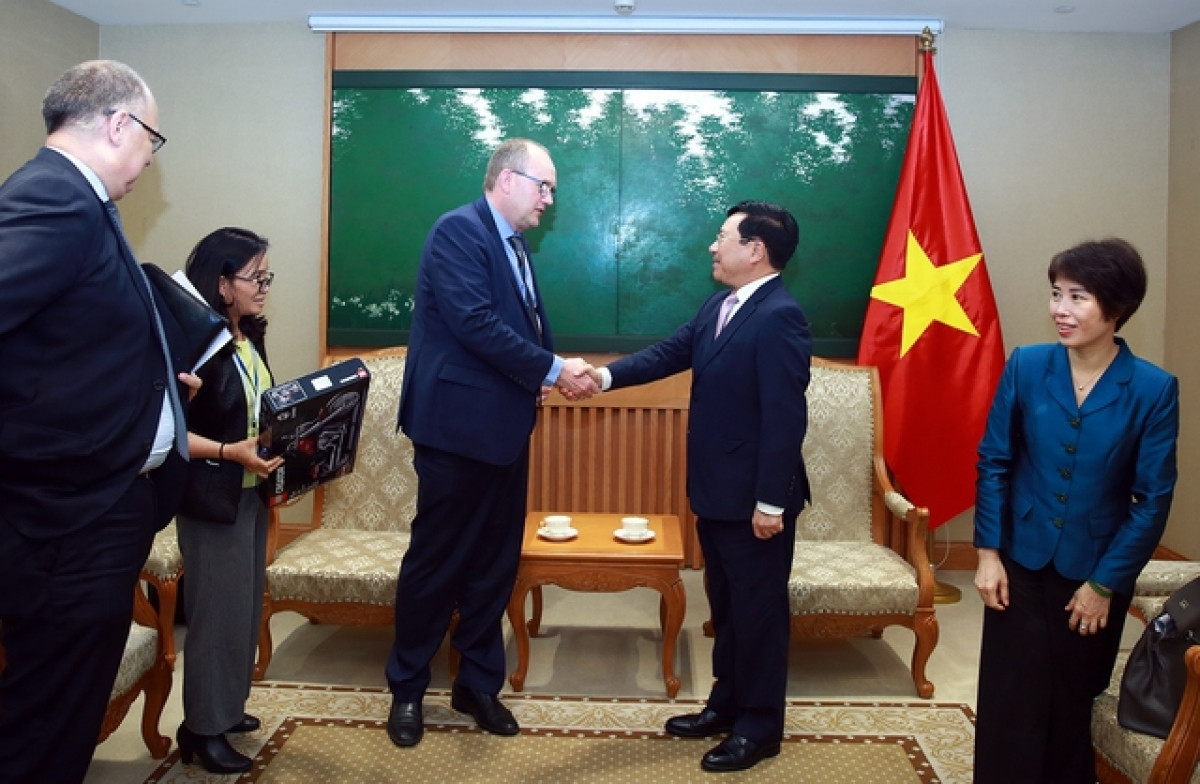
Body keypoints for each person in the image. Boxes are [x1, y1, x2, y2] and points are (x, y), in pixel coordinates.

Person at [0, 60, 197, 782]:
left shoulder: (76, 201)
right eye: (152, 138)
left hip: (94, 508)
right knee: (47, 722)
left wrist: (145, 385)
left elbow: (50, 344)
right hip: (68, 522)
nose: (150, 157)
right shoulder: (55, 198)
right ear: (120, 125)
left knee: (64, 713)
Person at [386, 138, 597, 748]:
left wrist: (537, 373)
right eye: (544, 187)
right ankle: (406, 688)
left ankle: (476, 685)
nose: (549, 200)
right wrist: (554, 370)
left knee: (493, 564)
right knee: (435, 564)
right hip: (454, 431)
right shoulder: (458, 232)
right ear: (507, 179)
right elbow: (474, 323)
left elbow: (520, 326)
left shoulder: (516, 244)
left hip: (504, 430)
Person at [588, 200, 811, 773]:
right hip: (716, 489)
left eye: (723, 236)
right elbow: (668, 354)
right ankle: (726, 705)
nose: (713, 247)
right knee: (729, 608)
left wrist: (770, 501)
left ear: (755, 250)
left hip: (754, 499)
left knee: (759, 614)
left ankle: (760, 727)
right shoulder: (722, 305)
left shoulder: (780, 315)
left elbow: (786, 417)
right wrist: (602, 376)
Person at [972, 238, 1179, 783]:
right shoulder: (1027, 365)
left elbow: (1152, 499)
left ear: (1117, 306)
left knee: (1067, 704)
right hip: (1018, 561)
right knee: (1009, 700)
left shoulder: (1154, 389)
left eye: (1078, 297)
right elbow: (994, 461)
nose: (1060, 310)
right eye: (1056, 294)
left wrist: (1105, 584)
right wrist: (988, 554)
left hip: (1094, 572)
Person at [174, 228, 285, 773]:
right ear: (221, 284)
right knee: (214, 616)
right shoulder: (195, 343)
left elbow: (258, 409)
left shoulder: (249, 335)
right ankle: (201, 730)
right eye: (254, 277)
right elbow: (172, 431)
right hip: (211, 497)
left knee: (241, 610)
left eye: (267, 276)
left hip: (251, 493)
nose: (264, 286)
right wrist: (231, 451)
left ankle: (227, 707)